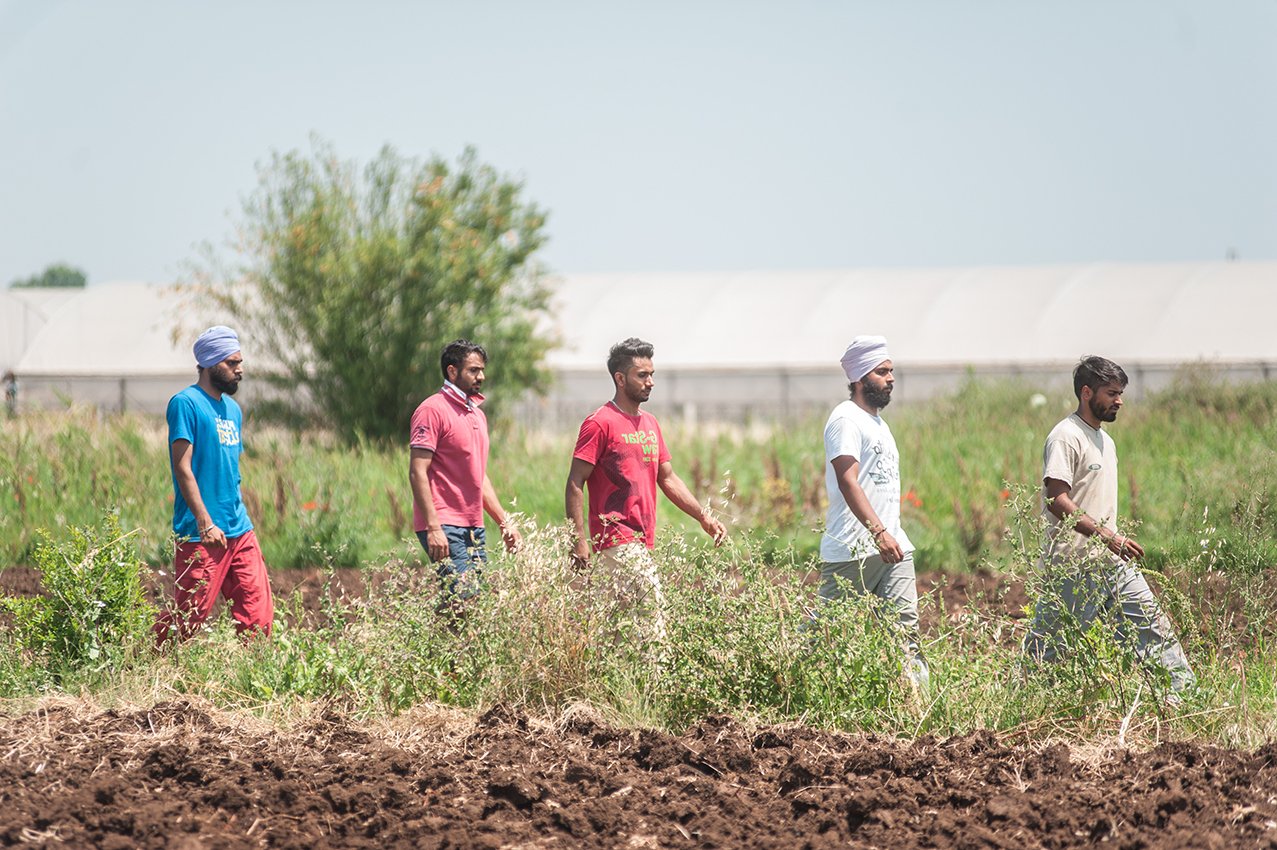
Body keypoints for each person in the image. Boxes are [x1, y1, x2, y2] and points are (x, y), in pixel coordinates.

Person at [1023, 355, 1195, 697]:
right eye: (1112, 393)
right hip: (1074, 565)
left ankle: (1184, 699)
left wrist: (1110, 543)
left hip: (1111, 564)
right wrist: (1106, 536)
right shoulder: (1065, 436)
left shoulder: (1106, 440)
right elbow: (1056, 499)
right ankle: (1021, 705)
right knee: (1047, 652)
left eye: (1120, 393)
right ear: (1086, 393)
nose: (1120, 400)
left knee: (1153, 628)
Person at [565, 337, 726, 642]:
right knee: (653, 624)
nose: (650, 382)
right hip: (615, 537)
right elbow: (575, 482)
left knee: (617, 631)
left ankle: (611, 686)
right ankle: (659, 683)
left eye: (652, 374)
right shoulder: (599, 423)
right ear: (620, 378)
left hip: (642, 539)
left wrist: (703, 517)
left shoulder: (650, 423)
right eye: (642, 375)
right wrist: (578, 541)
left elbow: (667, 478)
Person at [817, 335, 928, 686]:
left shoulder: (879, 424)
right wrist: (878, 532)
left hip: (894, 549)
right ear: (860, 378)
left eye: (891, 371)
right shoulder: (845, 419)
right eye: (882, 372)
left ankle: (917, 713)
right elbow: (848, 480)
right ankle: (798, 692)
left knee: (905, 633)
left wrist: (889, 534)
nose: (891, 378)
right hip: (852, 551)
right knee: (828, 639)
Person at [154, 326, 273, 644]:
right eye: (232, 363)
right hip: (201, 532)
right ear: (209, 363)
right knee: (189, 617)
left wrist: (238, 516)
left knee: (258, 616)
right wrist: (206, 523)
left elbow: (229, 471)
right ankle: (148, 660)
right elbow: (183, 469)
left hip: (239, 529)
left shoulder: (233, 410)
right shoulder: (186, 404)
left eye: (240, 362)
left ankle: (254, 678)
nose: (240, 370)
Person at [409, 339, 521, 602]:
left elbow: (479, 476)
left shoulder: (477, 415)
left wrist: (505, 524)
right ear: (452, 371)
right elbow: (417, 472)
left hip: (473, 525)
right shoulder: (431, 410)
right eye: (473, 370)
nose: (481, 376)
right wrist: (433, 526)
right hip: (444, 523)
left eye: (481, 370)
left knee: (468, 603)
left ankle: (436, 644)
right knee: (464, 600)